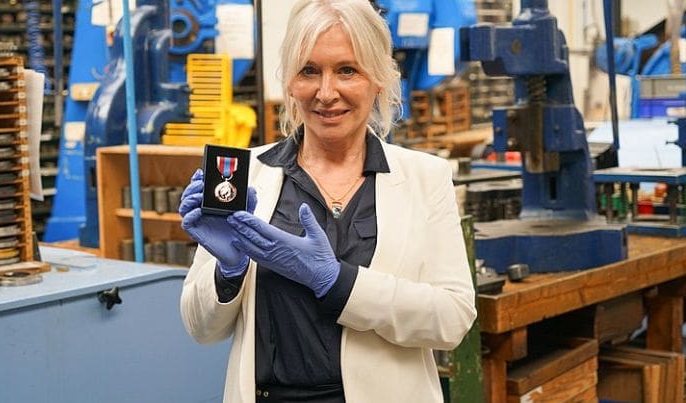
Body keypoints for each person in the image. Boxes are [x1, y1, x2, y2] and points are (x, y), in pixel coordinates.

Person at [179, 0, 476, 401]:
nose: (326, 93)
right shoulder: (247, 175)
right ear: (289, 82)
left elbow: (453, 319)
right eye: (309, 71)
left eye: (347, 70)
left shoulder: (425, 178)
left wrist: (339, 282)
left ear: (380, 80)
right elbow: (201, 329)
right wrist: (228, 273)